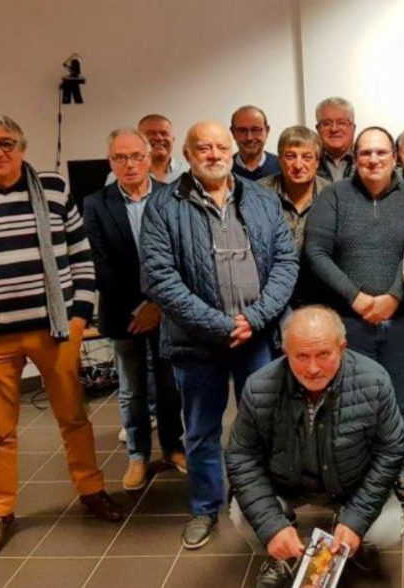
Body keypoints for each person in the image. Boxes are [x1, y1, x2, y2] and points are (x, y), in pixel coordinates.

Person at [0, 115, 123, 558]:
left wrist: (79, 317)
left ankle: (91, 490)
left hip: (54, 332)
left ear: (21, 148)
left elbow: (80, 255)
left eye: (6, 143)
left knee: (74, 418)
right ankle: (0, 512)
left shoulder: (53, 189)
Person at [140, 121, 298, 549]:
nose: (214, 155)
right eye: (203, 148)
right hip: (195, 342)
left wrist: (256, 317)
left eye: (220, 148)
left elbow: (286, 262)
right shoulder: (163, 205)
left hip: (256, 338)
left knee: (262, 426)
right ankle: (204, 508)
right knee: (201, 431)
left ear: (232, 152)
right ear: (188, 155)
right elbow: (159, 278)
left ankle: (260, 503)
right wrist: (220, 325)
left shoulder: (261, 199)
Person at [225, 306, 404, 588]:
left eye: (323, 354)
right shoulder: (259, 387)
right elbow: (241, 456)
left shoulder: (375, 381)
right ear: (285, 351)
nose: (312, 368)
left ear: (342, 348)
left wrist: (356, 519)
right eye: (301, 356)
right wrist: (271, 526)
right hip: (284, 483)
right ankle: (281, 555)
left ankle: (354, 541)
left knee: (388, 529)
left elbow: (390, 451)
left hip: (350, 485)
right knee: (243, 515)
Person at [304, 127, 404, 503]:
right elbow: (316, 251)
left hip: (402, 320)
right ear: (355, 158)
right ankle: (357, 470)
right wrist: (354, 297)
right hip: (349, 321)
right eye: (366, 153)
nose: (373, 160)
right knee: (350, 400)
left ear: (395, 158)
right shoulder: (334, 196)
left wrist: (394, 295)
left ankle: (398, 467)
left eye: (381, 153)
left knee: (401, 399)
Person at [83, 128, 186, 492]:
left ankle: (173, 447)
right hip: (122, 312)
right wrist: (138, 307)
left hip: (167, 309)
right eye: (120, 157)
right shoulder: (96, 204)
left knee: (170, 384)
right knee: (132, 388)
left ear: (148, 157)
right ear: (110, 161)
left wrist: (157, 304)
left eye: (136, 156)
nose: (129, 164)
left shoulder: (172, 196)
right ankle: (138, 455)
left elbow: (182, 254)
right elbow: (98, 263)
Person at [258, 126, 330, 252]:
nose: (298, 165)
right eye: (291, 157)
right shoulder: (258, 193)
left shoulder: (331, 195)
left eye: (307, 157)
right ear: (280, 160)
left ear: (317, 162)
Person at [106, 114, 189, 184]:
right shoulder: (118, 176)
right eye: (151, 133)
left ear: (173, 139)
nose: (159, 138)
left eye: (164, 133)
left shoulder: (189, 172)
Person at [230, 105, 281, 183]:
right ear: (233, 132)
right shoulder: (224, 170)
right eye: (242, 130)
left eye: (256, 130)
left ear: (267, 131)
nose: (249, 137)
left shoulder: (281, 167)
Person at [315, 97, 356, 182]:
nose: (334, 129)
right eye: (326, 124)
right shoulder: (308, 162)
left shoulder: (366, 160)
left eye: (341, 123)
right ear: (318, 129)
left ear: (353, 128)